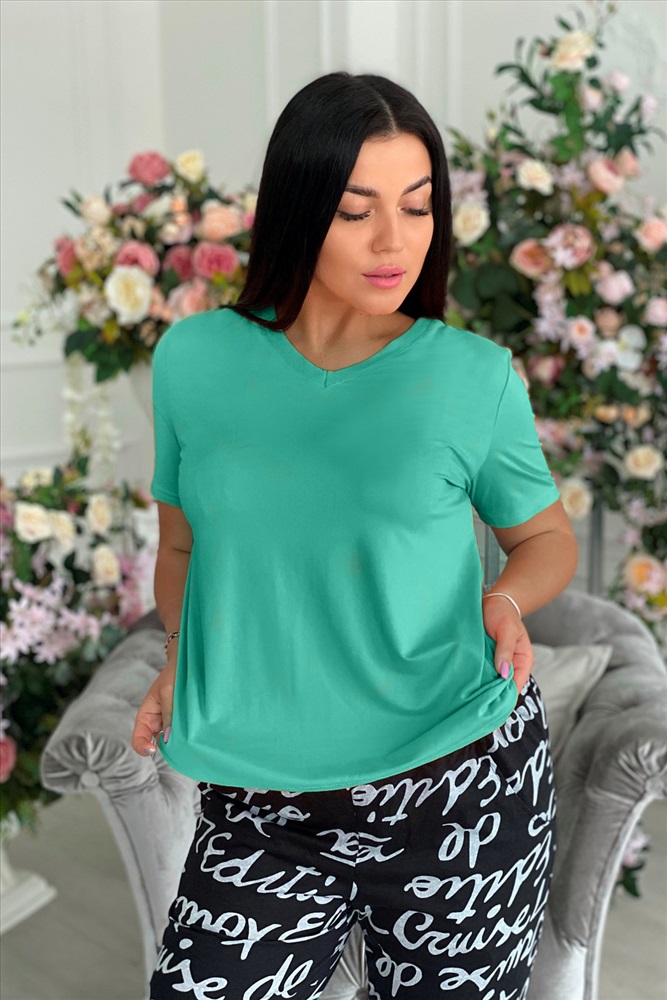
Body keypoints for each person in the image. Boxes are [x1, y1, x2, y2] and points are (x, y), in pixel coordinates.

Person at [132, 71, 578, 1000]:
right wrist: (181, 655)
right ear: (299, 211)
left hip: (456, 782)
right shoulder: (194, 360)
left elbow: (545, 539)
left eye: (416, 207)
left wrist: (502, 601)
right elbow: (181, 550)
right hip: (259, 794)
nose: (393, 241)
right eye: (354, 211)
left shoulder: (473, 377)